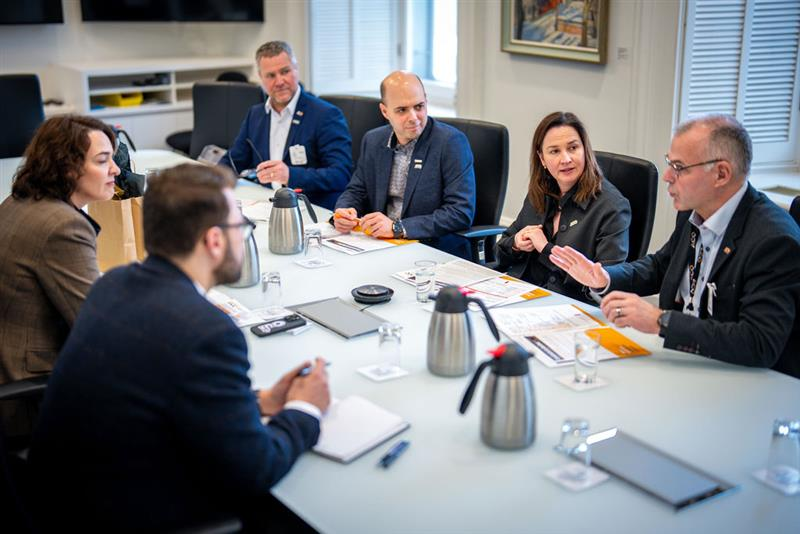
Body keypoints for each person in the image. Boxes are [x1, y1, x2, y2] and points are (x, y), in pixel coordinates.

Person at [29, 164, 331, 531]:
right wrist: (305, 409)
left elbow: (160, 389)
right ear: (214, 241)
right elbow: (255, 469)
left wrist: (260, 401)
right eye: (243, 227)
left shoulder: (116, 282)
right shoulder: (207, 332)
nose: (244, 236)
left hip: (61, 500)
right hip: (128, 513)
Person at [550, 114, 800, 378]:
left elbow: (758, 343)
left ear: (721, 174)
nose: (667, 176)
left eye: (680, 167)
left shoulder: (774, 241)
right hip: (683, 361)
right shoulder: (694, 212)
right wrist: (604, 277)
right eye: (670, 163)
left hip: (741, 379)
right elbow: (660, 267)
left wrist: (661, 321)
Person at [0, 115, 119, 435]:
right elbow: (100, 328)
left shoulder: (19, 200)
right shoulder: (63, 225)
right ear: (68, 167)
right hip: (30, 396)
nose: (116, 170)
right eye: (103, 160)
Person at [333, 71, 476, 258]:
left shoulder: (450, 143)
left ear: (426, 101)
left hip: (432, 249)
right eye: (402, 110)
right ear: (385, 111)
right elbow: (356, 190)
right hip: (381, 245)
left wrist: (397, 228)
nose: (414, 117)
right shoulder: (374, 140)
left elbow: (460, 212)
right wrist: (344, 212)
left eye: (419, 106)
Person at [495, 111, 630, 303]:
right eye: (554, 151)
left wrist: (546, 248)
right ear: (542, 159)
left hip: (570, 307)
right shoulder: (540, 192)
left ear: (585, 150)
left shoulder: (612, 207)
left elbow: (604, 284)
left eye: (573, 148)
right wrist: (516, 243)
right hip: (519, 294)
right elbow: (500, 252)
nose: (565, 159)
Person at [223, 40, 353, 210]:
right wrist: (210, 178)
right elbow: (234, 160)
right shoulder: (256, 114)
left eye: (285, 71)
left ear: (296, 70)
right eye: (271, 75)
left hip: (309, 208)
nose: (279, 81)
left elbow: (340, 174)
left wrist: (290, 175)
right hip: (266, 203)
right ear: (261, 78)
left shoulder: (326, 115)